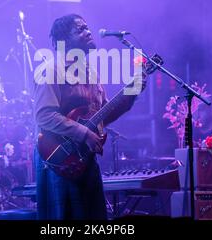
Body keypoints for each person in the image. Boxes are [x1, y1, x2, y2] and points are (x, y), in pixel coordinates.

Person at [33, 14, 146, 220]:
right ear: (64, 40)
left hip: (84, 158)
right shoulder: (50, 69)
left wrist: (132, 92)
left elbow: (103, 115)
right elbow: (44, 115)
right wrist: (84, 133)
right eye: (80, 29)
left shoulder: (90, 72)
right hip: (58, 156)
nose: (88, 32)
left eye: (87, 28)